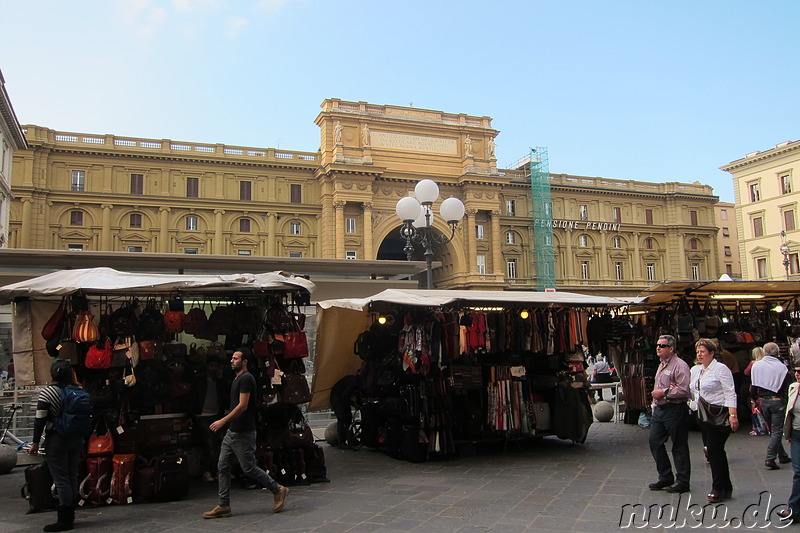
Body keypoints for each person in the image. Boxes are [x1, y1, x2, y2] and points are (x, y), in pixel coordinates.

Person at [203, 348, 288, 519]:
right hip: (233, 431)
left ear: (245, 362)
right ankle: (223, 504)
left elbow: (243, 405)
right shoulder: (237, 379)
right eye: (232, 358)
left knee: (249, 468)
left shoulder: (246, 379)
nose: (231, 361)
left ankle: (277, 489)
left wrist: (222, 421)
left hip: (243, 432)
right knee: (223, 466)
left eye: (235, 358)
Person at [28, 360, 86, 532]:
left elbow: (40, 419)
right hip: (76, 438)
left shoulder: (48, 393)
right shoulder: (79, 390)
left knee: (60, 479)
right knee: (71, 475)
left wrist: (35, 442)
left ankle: (65, 519)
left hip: (57, 439)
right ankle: (71, 513)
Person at [691, 338, 738, 503]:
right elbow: (694, 390)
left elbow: (730, 392)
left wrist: (733, 415)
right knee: (716, 451)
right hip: (705, 416)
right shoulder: (697, 370)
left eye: (703, 351)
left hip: (720, 414)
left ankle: (718, 487)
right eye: (698, 351)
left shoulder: (720, 369)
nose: (699, 354)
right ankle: (726, 487)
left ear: (711, 353)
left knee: (713, 448)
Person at [648, 334, 692, 494]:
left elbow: (684, 389)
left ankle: (682, 481)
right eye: (658, 345)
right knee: (654, 441)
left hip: (675, 409)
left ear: (671, 349)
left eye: (662, 345)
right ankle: (665, 476)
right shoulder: (662, 364)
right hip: (660, 410)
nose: (658, 347)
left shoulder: (680, 366)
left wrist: (665, 393)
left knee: (679, 446)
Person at [751, 342, 792, 469]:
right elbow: (787, 385)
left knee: (773, 430)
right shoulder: (781, 367)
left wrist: (753, 398)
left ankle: (782, 455)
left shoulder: (756, 365)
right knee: (777, 430)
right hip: (777, 400)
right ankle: (770, 457)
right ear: (777, 353)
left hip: (763, 400)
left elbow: (753, 385)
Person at [189, 355, 230, 482]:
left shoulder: (220, 381)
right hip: (202, 416)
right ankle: (213, 471)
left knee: (215, 444)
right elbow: (192, 398)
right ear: (207, 366)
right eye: (212, 366)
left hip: (216, 415)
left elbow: (225, 395)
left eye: (216, 366)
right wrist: (190, 416)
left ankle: (210, 471)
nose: (213, 369)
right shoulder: (198, 380)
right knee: (210, 443)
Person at [779, 364, 800, 523]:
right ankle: (793, 509)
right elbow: (789, 412)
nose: (797, 374)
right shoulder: (793, 387)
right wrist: (788, 433)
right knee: (798, 472)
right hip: (797, 435)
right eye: (796, 371)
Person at [330, 374, 360, 449]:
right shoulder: (352, 383)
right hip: (337, 399)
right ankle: (341, 442)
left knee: (348, 418)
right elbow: (345, 396)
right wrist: (354, 404)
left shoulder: (354, 381)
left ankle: (351, 439)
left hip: (341, 398)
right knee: (342, 419)